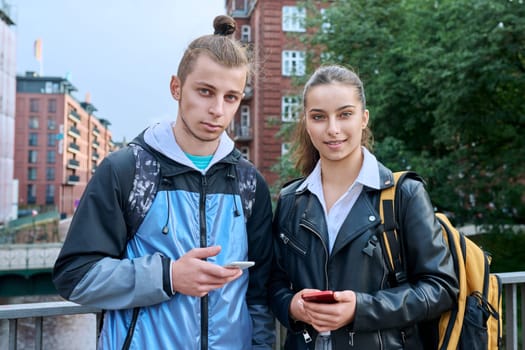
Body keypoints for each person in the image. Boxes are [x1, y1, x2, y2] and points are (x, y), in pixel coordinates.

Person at [53, 15, 275, 350]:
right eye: (205, 91)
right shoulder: (127, 170)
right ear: (176, 87)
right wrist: (168, 276)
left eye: (231, 97)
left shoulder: (249, 183)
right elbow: (75, 276)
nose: (217, 109)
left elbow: (258, 297)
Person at [269, 65, 458, 349]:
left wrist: (360, 308)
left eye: (345, 114)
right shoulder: (290, 200)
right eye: (319, 117)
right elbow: (274, 283)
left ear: (363, 119)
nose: (332, 129)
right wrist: (293, 306)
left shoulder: (404, 194)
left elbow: (441, 288)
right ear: (306, 123)